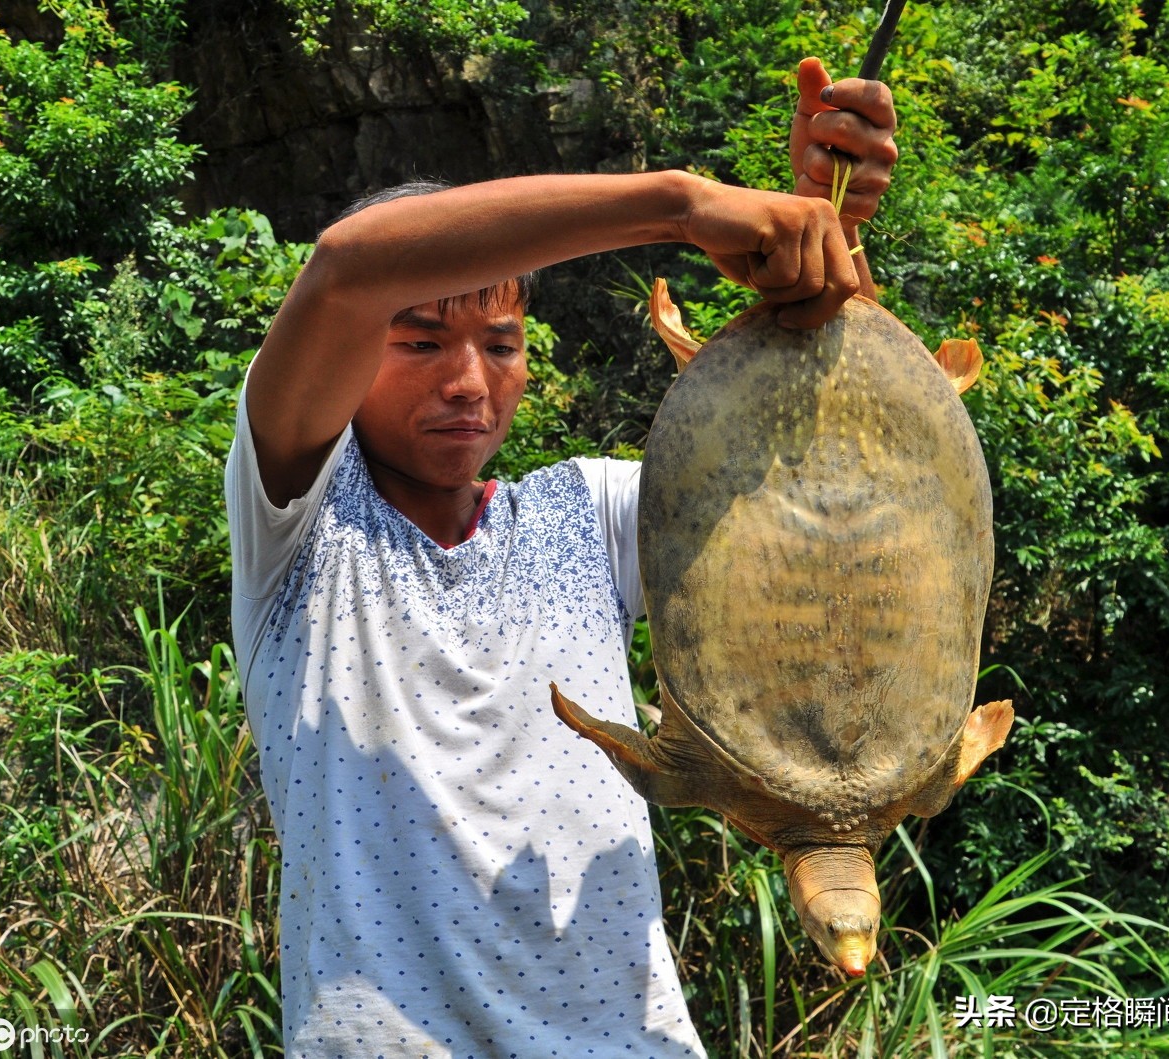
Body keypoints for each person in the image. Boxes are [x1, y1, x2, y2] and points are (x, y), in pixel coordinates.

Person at [226, 58, 897, 1059]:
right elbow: (347, 268)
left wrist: (813, 232)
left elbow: (815, 476)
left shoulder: (593, 513)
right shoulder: (299, 525)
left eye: (499, 345)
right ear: (351, 351)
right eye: (419, 342)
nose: (467, 381)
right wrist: (686, 202)